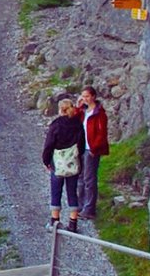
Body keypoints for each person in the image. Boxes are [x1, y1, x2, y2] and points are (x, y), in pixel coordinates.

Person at [41, 98, 86, 232]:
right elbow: (82, 146)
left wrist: (46, 161)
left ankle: (55, 222)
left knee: (56, 191)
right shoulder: (78, 124)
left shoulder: (56, 125)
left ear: (60, 109)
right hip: (73, 163)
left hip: (58, 162)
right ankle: (73, 223)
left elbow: (49, 145)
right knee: (72, 192)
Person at [77, 87, 109, 219]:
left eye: (87, 96)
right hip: (82, 148)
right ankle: (81, 205)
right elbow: (74, 119)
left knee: (89, 179)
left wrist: (94, 149)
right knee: (80, 178)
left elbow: (102, 134)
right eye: (83, 96)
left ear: (94, 97)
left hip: (91, 150)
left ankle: (89, 209)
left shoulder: (99, 113)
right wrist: (79, 106)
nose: (85, 99)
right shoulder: (84, 111)